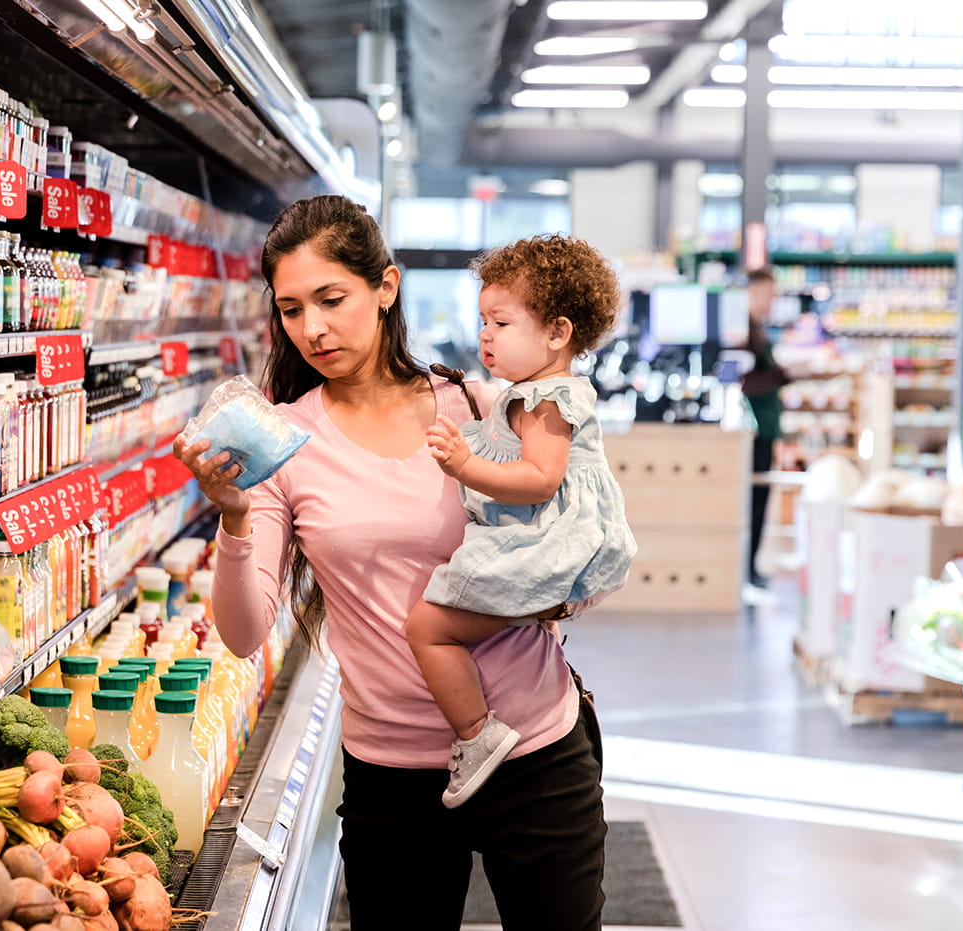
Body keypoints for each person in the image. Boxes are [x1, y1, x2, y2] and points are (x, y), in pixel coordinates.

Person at [175, 195, 609, 930]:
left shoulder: (478, 403)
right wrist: (235, 514)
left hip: (534, 746)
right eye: (290, 309)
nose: (312, 327)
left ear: (386, 286)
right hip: (393, 776)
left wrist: (560, 595)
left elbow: (572, 534)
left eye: (331, 298)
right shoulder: (283, 442)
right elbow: (246, 634)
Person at [406, 235, 636, 808]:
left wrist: (465, 464)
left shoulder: (548, 400)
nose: (485, 334)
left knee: (428, 628)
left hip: (548, 540)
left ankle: (476, 732)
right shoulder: (528, 392)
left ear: (557, 333)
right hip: (547, 537)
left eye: (501, 322)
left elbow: (540, 479)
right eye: (483, 320)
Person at [739, 266, 791, 589]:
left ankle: (751, 566)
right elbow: (745, 382)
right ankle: (747, 570)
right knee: (755, 501)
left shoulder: (756, 328)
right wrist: (783, 374)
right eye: (769, 293)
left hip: (765, 428)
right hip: (754, 430)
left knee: (760, 499)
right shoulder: (743, 331)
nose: (772, 301)